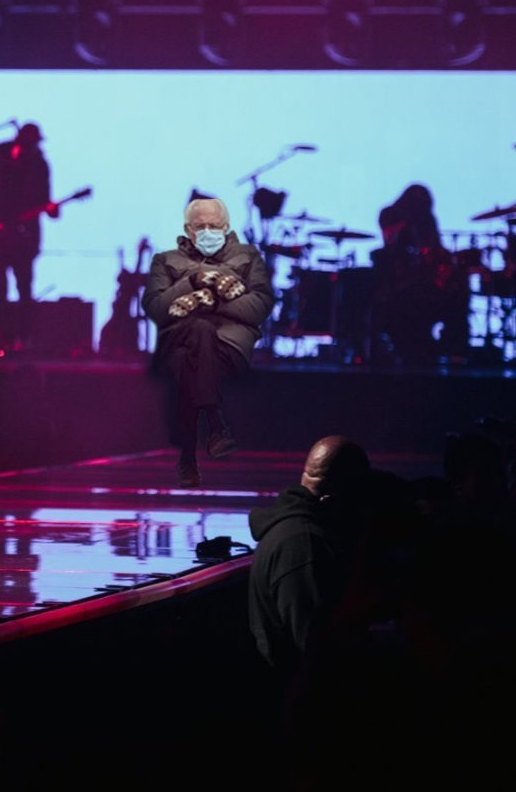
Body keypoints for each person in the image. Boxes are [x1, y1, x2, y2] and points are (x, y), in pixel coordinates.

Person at [141, 197, 274, 487]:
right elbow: (156, 308)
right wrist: (192, 281)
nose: (207, 232)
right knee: (196, 338)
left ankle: (188, 458)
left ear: (225, 227)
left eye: (214, 226)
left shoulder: (248, 258)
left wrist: (210, 301)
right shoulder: (166, 261)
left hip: (228, 348)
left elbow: (259, 307)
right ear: (188, 230)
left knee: (192, 352)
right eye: (200, 226)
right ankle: (215, 424)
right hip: (179, 342)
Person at [247, 435, 373, 686]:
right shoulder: (304, 545)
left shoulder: (297, 535)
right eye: (360, 495)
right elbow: (317, 648)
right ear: (335, 500)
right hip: (302, 705)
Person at [0, 122, 59, 352]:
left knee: (24, 289)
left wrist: (50, 209)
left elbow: (43, 199)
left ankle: (25, 338)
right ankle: (5, 340)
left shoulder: (39, 166)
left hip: (24, 237)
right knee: (0, 290)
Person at [370, 183, 468, 363]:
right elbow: (391, 246)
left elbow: (437, 252)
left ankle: (455, 350)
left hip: (427, 285)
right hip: (396, 286)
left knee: (458, 292)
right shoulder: (392, 216)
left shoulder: (427, 222)